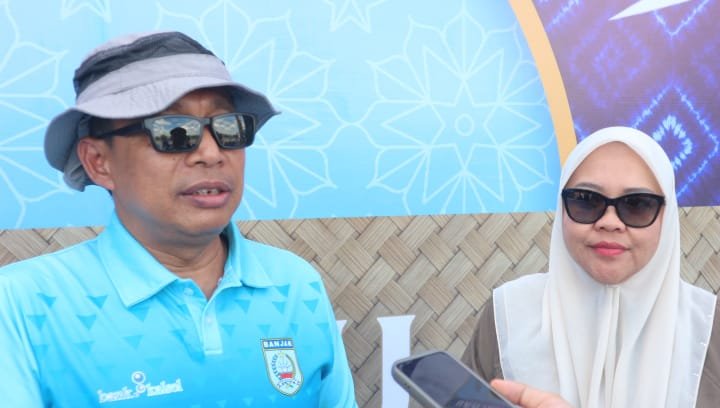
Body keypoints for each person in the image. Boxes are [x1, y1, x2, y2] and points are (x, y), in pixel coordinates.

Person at [0, 31, 357, 407]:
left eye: (229, 127)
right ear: (99, 162)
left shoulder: (294, 283)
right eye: (173, 131)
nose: (211, 153)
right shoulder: (23, 305)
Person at [462, 126, 720, 407]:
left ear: (666, 217)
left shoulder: (708, 326)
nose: (610, 222)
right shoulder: (509, 313)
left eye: (637, 204)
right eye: (586, 200)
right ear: (562, 208)